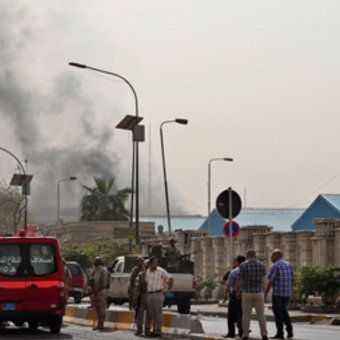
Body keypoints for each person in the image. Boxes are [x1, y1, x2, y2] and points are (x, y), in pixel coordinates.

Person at [236, 249, 268, 340]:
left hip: (247, 292)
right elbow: (263, 277)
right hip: (259, 292)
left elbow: (239, 279)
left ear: (247, 256)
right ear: (255, 256)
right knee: (261, 314)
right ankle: (264, 334)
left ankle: (245, 334)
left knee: (246, 314)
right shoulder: (261, 265)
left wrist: (238, 291)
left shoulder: (243, 265)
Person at [265, 249, 295, 339]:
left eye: (272, 255)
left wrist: (266, 292)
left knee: (278, 314)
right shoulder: (287, 265)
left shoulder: (275, 266)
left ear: (277, 256)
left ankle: (280, 333)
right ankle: (290, 331)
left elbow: (271, 281)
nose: (271, 257)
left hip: (277, 293)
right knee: (284, 312)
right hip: (287, 293)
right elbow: (293, 279)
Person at [145, 256, 174, 337]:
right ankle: (147, 330)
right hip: (150, 294)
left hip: (158, 294)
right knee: (149, 313)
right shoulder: (147, 272)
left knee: (158, 313)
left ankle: (157, 331)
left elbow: (171, 278)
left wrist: (168, 290)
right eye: (154, 262)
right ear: (150, 263)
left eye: (157, 262)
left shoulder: (160, 271)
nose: (156, 264)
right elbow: (146, 283)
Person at [223, 255, 246, 338]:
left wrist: (225, 294)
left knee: (231, 315)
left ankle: (231, 332)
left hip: (235, 294)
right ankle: (242, 332)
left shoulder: (234, 271)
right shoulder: (248, 271)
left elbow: (228, 285)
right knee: (243, 314)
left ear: (237, 262)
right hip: (246, 295)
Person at [91, 257, 109, 331]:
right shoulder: (106, 270)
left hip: (99, 291)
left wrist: (94, 291)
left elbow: (96, 281)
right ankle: (101, 323)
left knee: (99, 308)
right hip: (104, 290)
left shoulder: (99, 270)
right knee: (102, 307)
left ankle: (100, 324)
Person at [134, 259, 151, 336]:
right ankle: (143, 330)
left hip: (147, 295)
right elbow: (137, 287)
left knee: (146, 314)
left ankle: (143, 330)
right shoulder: (141, 275)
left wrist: (136, 297)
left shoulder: (142, 274)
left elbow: (137, 287)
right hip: (144, 295)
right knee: (142, 314)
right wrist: (136, 297)